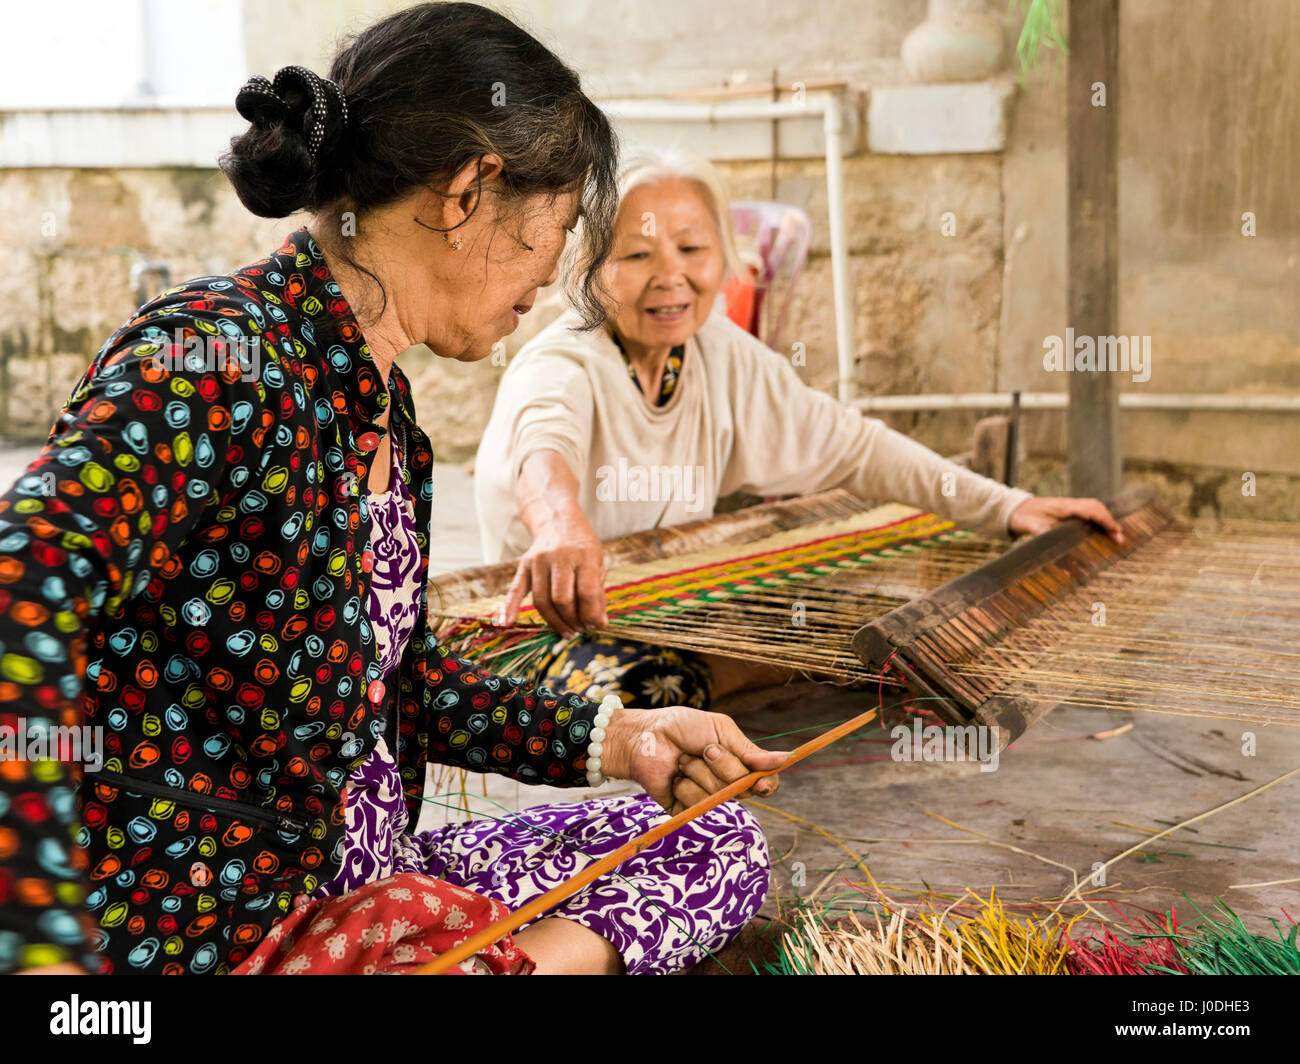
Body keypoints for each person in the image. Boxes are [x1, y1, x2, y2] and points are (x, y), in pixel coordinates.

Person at [0, 3, 781, 977]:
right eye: (561, 226)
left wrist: (623, 736)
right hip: (221, 918)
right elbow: (22, 584)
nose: (558, 274)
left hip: (365, 871)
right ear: (467, 193)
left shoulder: (382, 409)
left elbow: (392, 690)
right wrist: (43, 947)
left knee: (712, 840)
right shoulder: (218, 358)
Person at [475, 146, 1123, 711]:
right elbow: (542, 441)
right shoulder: (565, 361)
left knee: (875, 615)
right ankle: (777, 664)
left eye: (694, 249)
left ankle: (782, 659)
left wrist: (1009, 507)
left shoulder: (716, 354)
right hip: (546, 631)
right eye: (638, 253)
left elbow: (855, 446)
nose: (671, 276)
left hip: (666, 607)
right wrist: (559, 524)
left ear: (724, 258)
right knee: (636, 694)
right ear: (592, 270)